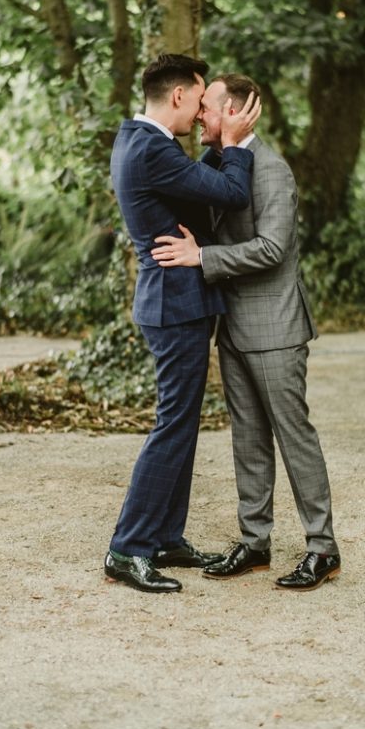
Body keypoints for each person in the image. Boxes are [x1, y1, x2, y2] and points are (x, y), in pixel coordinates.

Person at [151, 73, 340, 591]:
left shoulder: (273, 170)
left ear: (234, 111)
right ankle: (255, 542)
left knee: (293, 437)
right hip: (232, 327)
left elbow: (271, 249)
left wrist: (200, 256)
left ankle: (322, 549)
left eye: (208, 106)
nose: (199, 115)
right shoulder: (219, 162)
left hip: (275, 327)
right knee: (249, 440)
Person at [104, 55, 261, 594]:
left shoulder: (139, 141)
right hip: (175, 305)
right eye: (199, 101)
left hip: (176, 302)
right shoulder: (151, 149)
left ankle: (166, 536)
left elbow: (196, 185)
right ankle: (128, 547)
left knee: (182, 423)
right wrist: (236, 145)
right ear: (177, 96)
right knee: (172, 425)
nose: (201, 114)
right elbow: (233, 193)